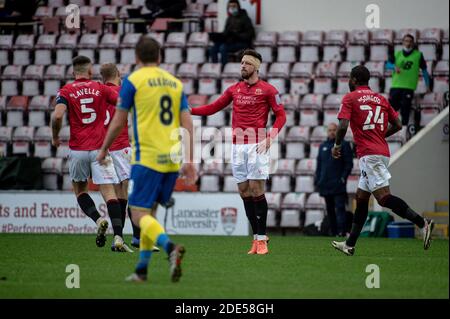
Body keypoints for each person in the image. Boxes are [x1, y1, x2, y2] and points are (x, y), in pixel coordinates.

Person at [96, 36, 197, 282]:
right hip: (172, 159)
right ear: (160, 57)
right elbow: (187, 122)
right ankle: (141, 270)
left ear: (137, 58)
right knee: (150, 214)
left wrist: (104, 148)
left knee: (139, 215)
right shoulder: (174, 83)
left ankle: (170, 248)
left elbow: (119, 120)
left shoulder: (132, 81)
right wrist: (191, 159)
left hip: (147, 158)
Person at [331, 65, 434, 256]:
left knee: (384, 198)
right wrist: (379, 136)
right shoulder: (381, 99)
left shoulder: (350, 98)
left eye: (349, 78)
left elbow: (343, 125)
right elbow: (398, 124)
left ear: (353, 79)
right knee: (362, 200)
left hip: (370, 155)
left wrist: (337, 146)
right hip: (379, 153)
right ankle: (350, 244)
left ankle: (423, 223)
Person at [191, 49, 286, 255]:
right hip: (237, 145)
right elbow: (213, 107)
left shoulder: (269, 90)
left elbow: (281, 117)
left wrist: (270, 138)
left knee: (256, 188)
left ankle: (262, 238)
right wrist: (189, 111)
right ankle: (256, 238)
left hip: (257, 142)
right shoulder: (234, 89)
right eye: (241, 62)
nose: (242, 66)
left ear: (256, 67)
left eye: (246, 63)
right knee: (244, 191)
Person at [51, 56, 131, 252]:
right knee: (109, 192)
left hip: (78, 150)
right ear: (90, 71)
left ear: (73, 73)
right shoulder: (100, 88)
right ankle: (119, 237)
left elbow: (58, 115)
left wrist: (55, 137)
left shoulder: (66, 91)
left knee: (80, 190)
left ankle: (98, 219)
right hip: (99, 149)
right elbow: (122, 105)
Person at [315, 122, 353, 237]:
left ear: (338, 131)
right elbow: (319, 165)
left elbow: (348, 164)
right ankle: (333, 232)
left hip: (338, 184)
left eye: (334, 130)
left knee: (340, 209)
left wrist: (343, 178)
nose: (332, 132)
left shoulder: (344, 144)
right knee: (330, 210)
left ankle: (342, 232)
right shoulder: (323, 146)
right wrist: (318, 180)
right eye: (330, 130)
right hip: (325, 184)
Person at [386, 34, 432, 126]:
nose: (408, 43)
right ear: (403, 42)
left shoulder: (418, 55)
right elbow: (387, 65)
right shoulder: (397, 53)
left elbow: (424, 71)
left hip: (408, 87)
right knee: (391, 109)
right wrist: (394, 67)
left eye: (410, 41)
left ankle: (404, 130)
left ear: (413, 43)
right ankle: (388, 129)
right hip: (396, 86)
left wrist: (428, 85)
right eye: (406, 41)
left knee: (405, 109)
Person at [209, 0, 255, 66]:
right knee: (213, 48)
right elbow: (225, 33)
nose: (232, 8)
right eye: (230, 6)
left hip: (242, 43)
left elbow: (251, 34)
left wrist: (237, 35)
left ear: (238, 7)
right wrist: (218, 36)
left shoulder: (245, 18)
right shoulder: (229, 19)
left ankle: (224, 68)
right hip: (230, 41)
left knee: (223, 47)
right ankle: (215, 68)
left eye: (234, 6)